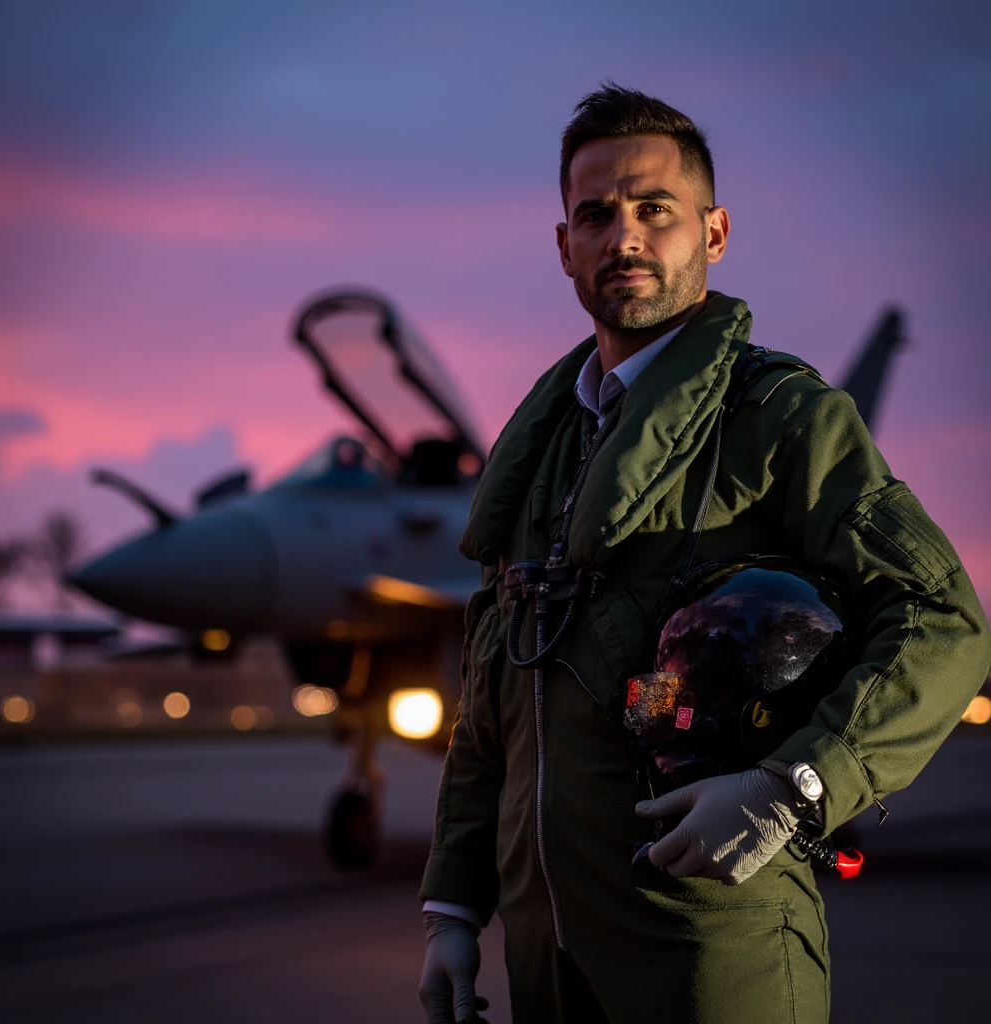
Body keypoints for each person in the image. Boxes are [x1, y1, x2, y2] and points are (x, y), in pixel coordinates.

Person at [417, 83, 991, 1024]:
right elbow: (494, 702)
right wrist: (452, 907)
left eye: (656, 211)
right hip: (544, 954)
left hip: (710, 943)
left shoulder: (781, 420)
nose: (624, 238)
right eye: (595, 216)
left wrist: (793, 786)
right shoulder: (543, 459)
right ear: (564, 246)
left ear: (714, 234)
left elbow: (943, 622)